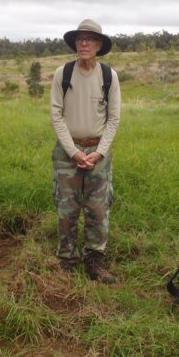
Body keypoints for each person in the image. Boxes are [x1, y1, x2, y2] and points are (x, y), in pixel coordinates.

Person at [50, 19, 121, 283]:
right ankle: (67, 259)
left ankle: (95, 261)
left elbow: (113, 119)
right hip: (67, 153)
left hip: (98, 153)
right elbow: (56, 115)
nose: (84, 43)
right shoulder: (63, 73)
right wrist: (73, 151)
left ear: (99, 45)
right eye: (80, 39)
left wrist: (99, 153)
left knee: (98, 209)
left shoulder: (108, 76)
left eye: (89, 39)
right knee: (66, 209)